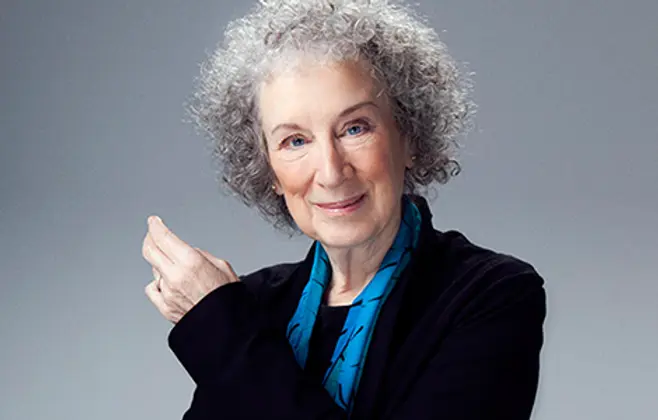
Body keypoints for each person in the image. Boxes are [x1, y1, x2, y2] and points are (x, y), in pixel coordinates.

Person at [141, 0, 547, 418]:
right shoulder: (255, 304)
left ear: (409, 138)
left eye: (355, 128)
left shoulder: (491, 294)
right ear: (270, 171)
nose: (332, 173)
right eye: (295, 141)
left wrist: (220, 328)